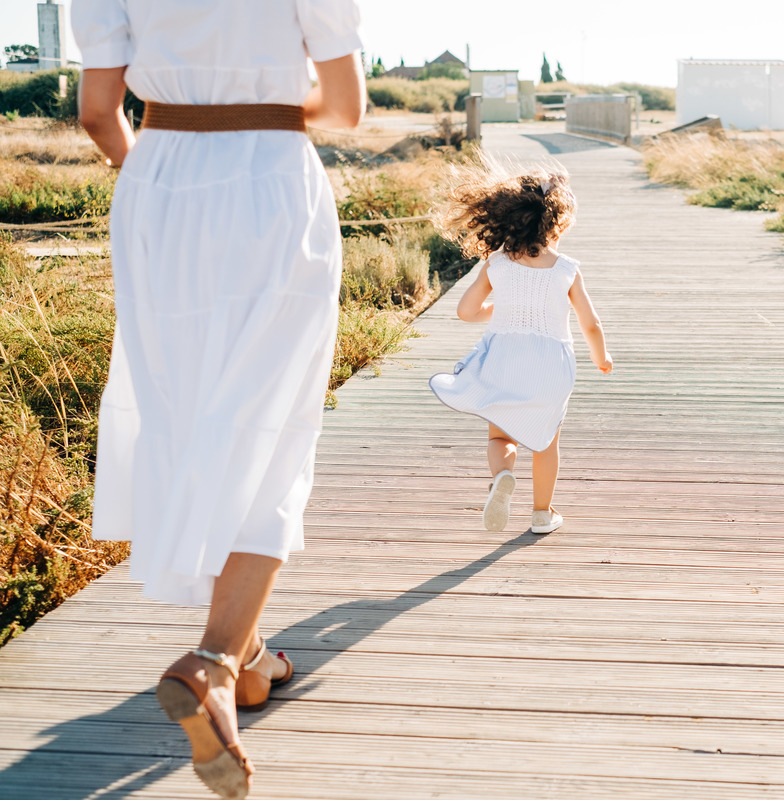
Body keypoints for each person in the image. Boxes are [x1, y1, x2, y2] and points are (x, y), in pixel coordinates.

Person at [73, 0, 365, 796]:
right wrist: (259, 103)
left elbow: (99, 113)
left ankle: (255, 657)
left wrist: (166, 167)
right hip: (270, 182)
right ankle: (214, 663)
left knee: (190, 414)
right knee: (269, 426)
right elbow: (345, 107)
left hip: (159, 184)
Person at [430, 165, 613, 535]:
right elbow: (590, 323)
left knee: (501, 437)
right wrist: (601, 358)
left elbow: (466, 312)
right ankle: (542, 515)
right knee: (545, 442)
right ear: (556, 223)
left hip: (503, 360)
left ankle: (503, 476)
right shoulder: (566, 269)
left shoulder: (496, 262)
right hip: (551, 365)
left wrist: (501, 309)